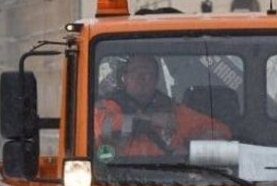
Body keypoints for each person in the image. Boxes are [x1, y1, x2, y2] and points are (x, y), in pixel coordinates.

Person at [93, 55, 231, 157]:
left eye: (147, 73)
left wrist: (189, 150)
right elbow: (102, 127)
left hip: (166, 178)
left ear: (156, 80)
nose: (140, 77)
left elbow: (222, 132)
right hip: (116, 177)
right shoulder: (108, 106)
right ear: (125, 78)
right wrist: (150, 120)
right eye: (134, 72)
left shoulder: (172, 111)